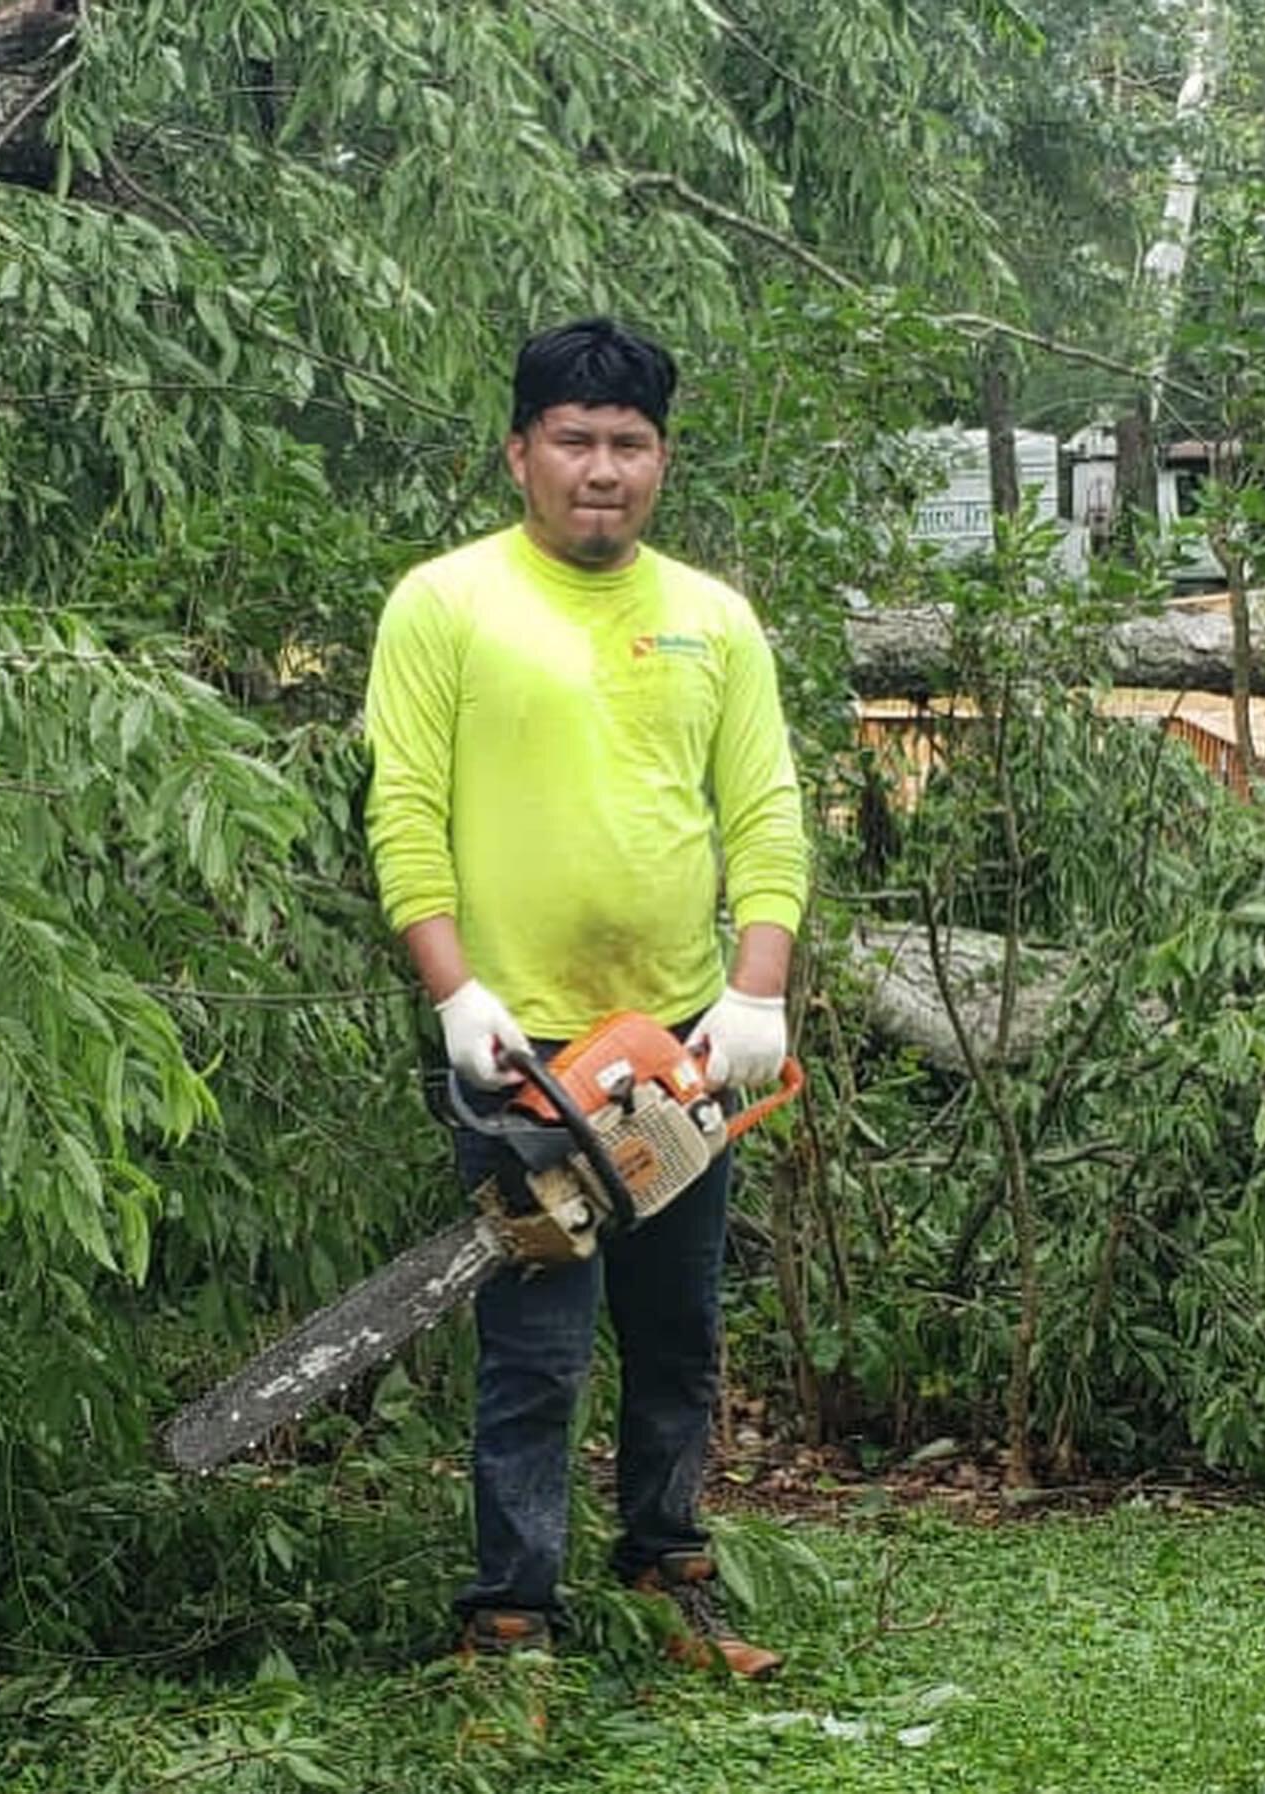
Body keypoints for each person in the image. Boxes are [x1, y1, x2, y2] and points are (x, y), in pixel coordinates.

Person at [364, 317, 807, 1675]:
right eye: (574, 441)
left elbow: (767, 812)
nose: (601, 469)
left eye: (629, 443)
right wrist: (456, 992)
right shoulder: (446, 604)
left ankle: (669, 1574)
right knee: (537, 1347)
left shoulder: (712, 620)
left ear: (662, 458)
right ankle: (511, 1618)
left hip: (680, 1045)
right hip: (525, 1051)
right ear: (520, 453)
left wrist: (756, 991)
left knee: (678, 1332)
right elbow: (405, 813)